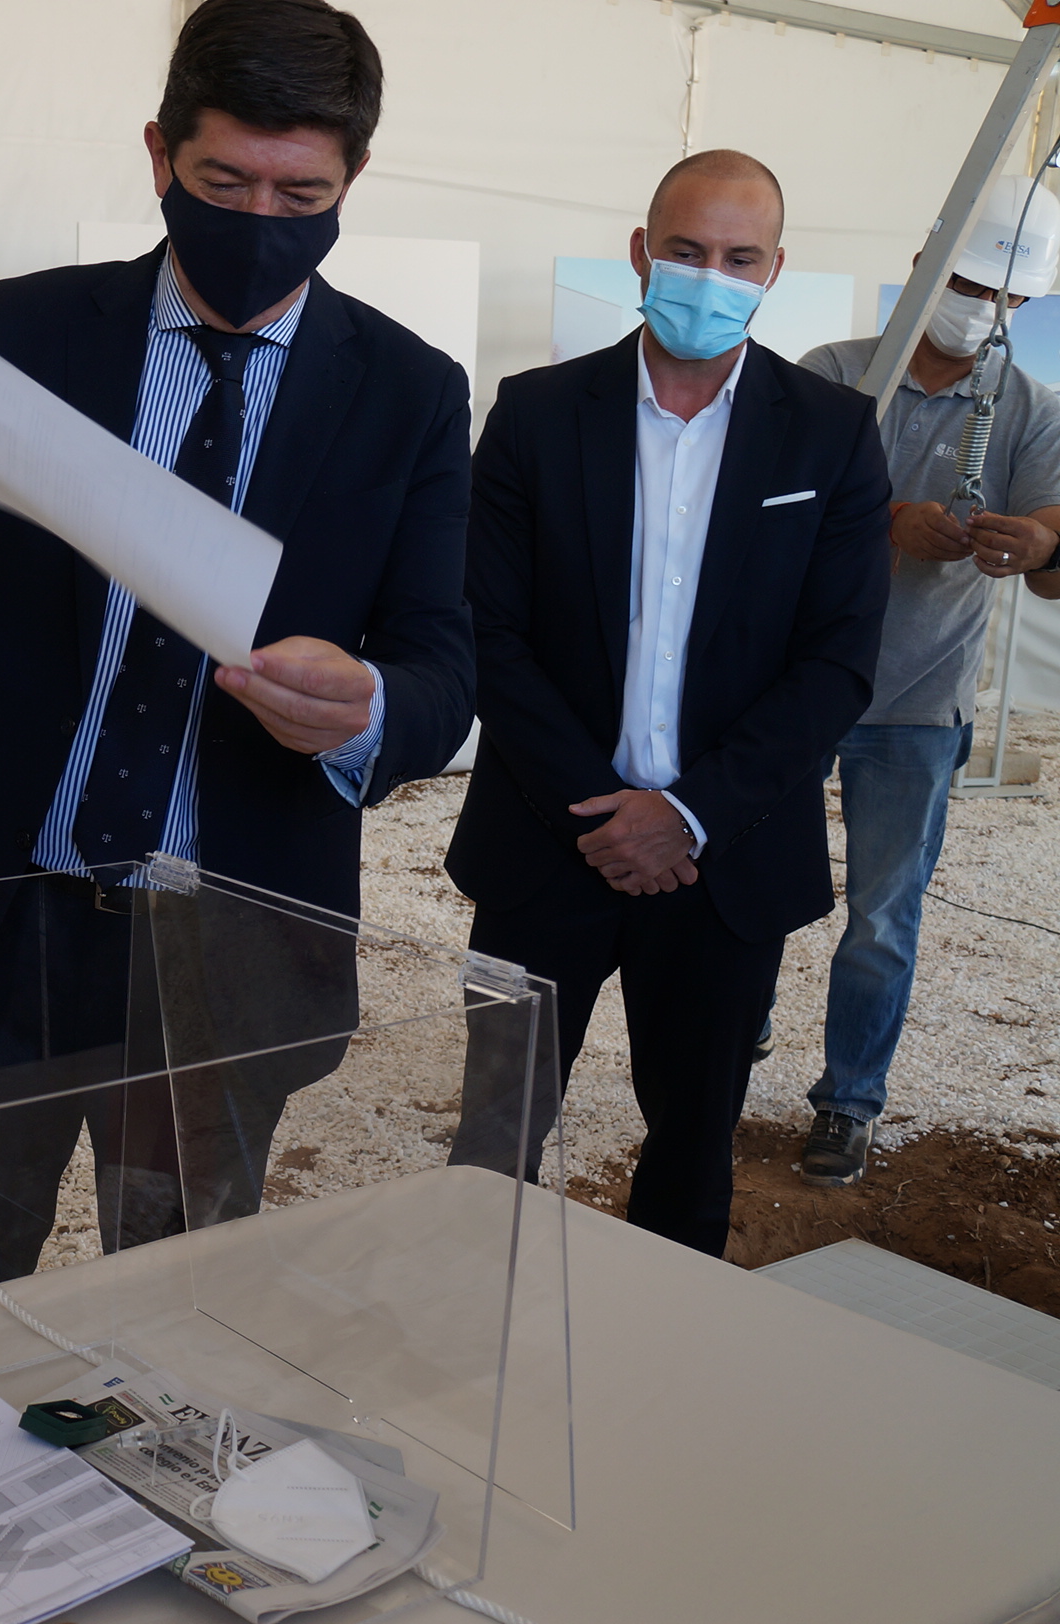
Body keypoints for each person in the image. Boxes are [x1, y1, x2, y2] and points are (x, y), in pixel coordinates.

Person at [0, 0, 477, 1304]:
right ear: (159, 153)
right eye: (225, 183)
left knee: (178, 1299)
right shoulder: (31, 331)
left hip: (230, 933)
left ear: (354, 178)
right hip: (8, 903)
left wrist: (369, 707)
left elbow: (443, 660)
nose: (261, 218)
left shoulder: (408, 389)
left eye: (301, 193)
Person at [444, 150, 891, 1255]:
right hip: (547, 843)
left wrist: (685, 814)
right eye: (687, 251)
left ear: (774, 270)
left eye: (739, 258)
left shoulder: (830, 430)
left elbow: (837, 661)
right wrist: (606, 813)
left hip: (723, 860)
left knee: (693, 1155)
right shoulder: (538, 413)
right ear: (642, 253)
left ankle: (663, 1348)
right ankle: (462, 1327)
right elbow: (486, 629)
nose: (710, 277)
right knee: (494, 1140)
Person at [791, 175, 1060, 1187]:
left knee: (882, 918)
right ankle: (737, 1033)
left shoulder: (1031, 409)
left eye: (1005, 296)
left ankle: (849, 1102)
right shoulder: (833, 375)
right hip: (797, 685)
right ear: (922, 266)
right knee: (752, 886)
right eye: (967, 284)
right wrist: (888, 519)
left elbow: (1053, 541)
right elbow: (771, 514)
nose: (982, 308)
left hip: (917, 702)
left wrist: (1038, 539)